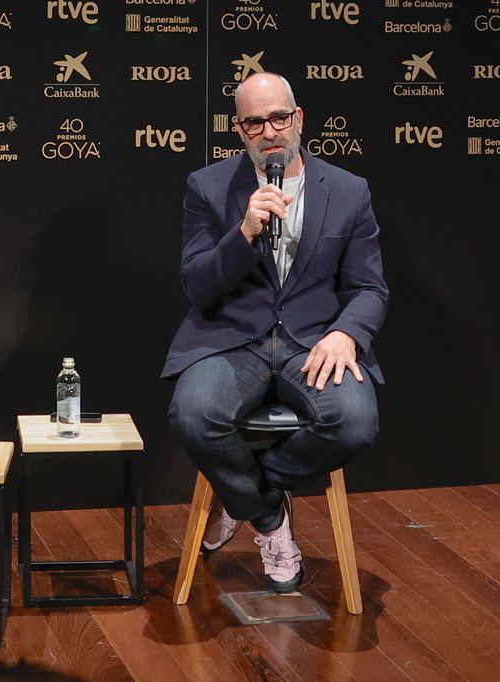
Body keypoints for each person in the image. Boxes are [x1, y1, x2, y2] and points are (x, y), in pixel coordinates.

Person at [163, 72, 388, 592]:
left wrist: (346, 334)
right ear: (239, 130)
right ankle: (269, 518)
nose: (270, 132)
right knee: (194, 416)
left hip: (313, 340)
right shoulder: (209, 186)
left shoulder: (349, 192)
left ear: (299, 119)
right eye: (255, 122)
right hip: (231, 338)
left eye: (279, 118)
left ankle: (243, 492)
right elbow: (197, 285)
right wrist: (242, 234)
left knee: (354, 421)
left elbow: (369, 288)